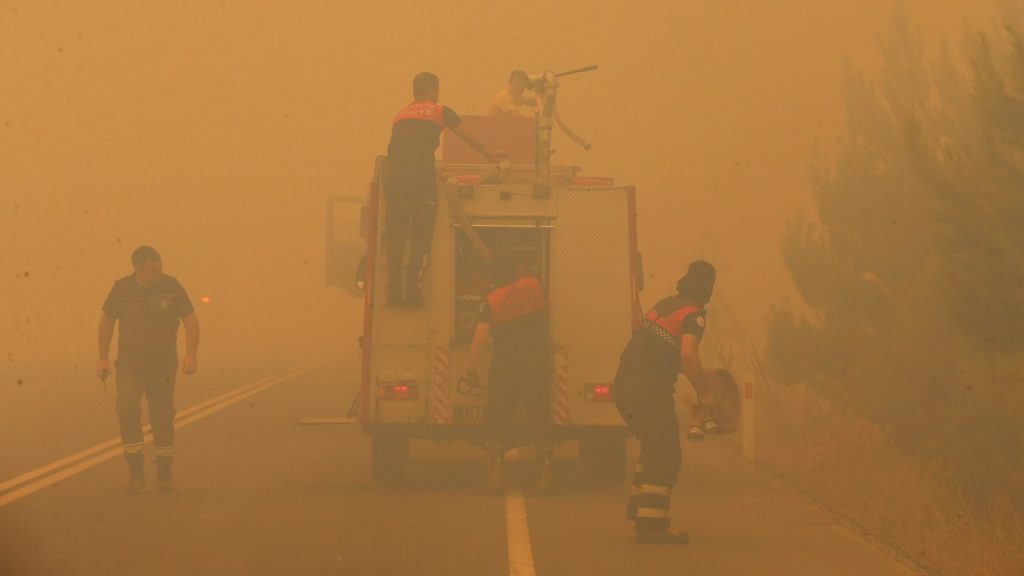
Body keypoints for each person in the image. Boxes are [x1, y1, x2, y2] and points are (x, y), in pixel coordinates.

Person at [611, 260, 716, 544]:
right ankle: (651, 526)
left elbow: (662, 352)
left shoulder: (667, 304)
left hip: (624, 385)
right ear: (708, 289)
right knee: (666, 453)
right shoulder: (694, 315)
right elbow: (688, 355)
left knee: (653, 447)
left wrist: (698, 376)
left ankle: (639, 507)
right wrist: (704, 394)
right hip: (648, 390)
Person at [385, 72, 505, 307]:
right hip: (421, 180)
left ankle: (394, 294)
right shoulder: (440, 111)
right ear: (432, 90)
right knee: (420, 236)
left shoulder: (399, 116)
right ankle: (411, 294)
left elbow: (401, 153)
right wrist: (491, 155)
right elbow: (469, 138)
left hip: (397, 181)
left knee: (397, 237)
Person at [96, 246, 200, 493]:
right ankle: (135, 472)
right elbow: (106, 322)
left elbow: (190, 321)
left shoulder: (172, 286)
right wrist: (102, 358)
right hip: (130, 363)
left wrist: (191, 354)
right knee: (127, 409)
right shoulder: (121, 289)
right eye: (154, 270)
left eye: (160, 267)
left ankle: (164, 472)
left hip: (162, 363)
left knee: (162, 414)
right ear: (138, 269)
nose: (159, 273)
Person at [465, 251, 554, 494]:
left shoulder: (493, 301)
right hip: (537, 363)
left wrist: (470, 370)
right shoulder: (535, 286)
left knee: (498, 417)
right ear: (516, 272)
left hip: (506, 366)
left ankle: (496, 473)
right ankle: (545, 472)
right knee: (539, 415)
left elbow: (481, 339)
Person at [485, 69, 592, 151]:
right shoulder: (504, 96)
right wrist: (538, 121)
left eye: (522, 84)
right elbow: (516, 116)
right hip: (491, 135)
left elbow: (532, 101)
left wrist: (545, 94)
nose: (521, 87)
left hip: (499, 135)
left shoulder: (516, 96)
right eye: (517, 83)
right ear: (509, 82)